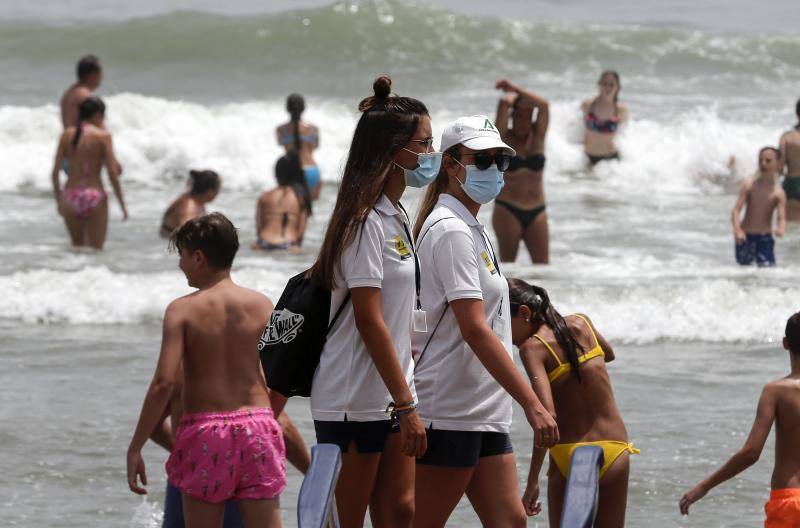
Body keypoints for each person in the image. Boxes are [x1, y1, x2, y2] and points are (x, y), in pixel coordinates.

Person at [411, 115, 559, 528]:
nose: (493, 170)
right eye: (482, 160)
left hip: (483, 409)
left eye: (500, 161)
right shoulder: (450, 228)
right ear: (451, 164)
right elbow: (473, 328)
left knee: (511, 522)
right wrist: (532, 403)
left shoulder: (471, 226)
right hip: (450, 409)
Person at [303, 75, 435, 528]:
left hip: (394, 394)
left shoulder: (395, 213)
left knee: (400, 511)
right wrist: (407, 405)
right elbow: (367, 319)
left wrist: (406, 395)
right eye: (425, 143)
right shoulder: (363, 221)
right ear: (394, 150)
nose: (431, 154)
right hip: (355, 396)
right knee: (345, 519)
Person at [126, 213, 285, 528]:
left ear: (198, 257)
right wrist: (268, 418)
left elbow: (163, 383)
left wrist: (136, 446)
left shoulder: (182, 310)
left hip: (205, 433)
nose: (180, 264)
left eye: (182, 256)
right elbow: (282, 375)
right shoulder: (263, 305)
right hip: (258, 428)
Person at [507, 278, 638, 528]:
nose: (500, 331)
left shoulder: (532, 348)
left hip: (572, 455)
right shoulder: (582, 322)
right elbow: (608, 354)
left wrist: (533, 480)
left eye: (502, 320)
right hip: (615, 450)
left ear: (524, 313)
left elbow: (548, 419)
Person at [680, 312, 800, 527]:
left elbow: (751, 453)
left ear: (785, 343)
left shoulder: (776, 391)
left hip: (789, 501)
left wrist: (704, 486)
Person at [150, 368, 311, 528]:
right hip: (236, 485)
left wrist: (191, 456)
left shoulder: (180, 369)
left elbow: (153, 426)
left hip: (186, 481)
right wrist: (312, 474)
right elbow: (283, 426)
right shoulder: (245, 373)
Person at [51, 96, 127, 249]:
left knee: (77, 249)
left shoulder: (67, 135)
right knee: (96, 251)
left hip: (71, 195)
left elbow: (55, 173)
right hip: (94, 195)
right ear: (98, 115)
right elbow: (112, 174)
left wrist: (59, 200)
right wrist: (122, 205)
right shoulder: (103, 137)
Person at [493, 79, 550, 263]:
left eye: (528, 116)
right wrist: (512, 94)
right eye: (519, 116)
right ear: (512, 116)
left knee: (543, 267)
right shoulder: (503, 136)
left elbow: (544, 105)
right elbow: (504, 103)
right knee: (509, 267)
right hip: (507, 209)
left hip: (537, 210)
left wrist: (516, 88)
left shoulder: (538, 136)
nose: (523, 122)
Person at [731, 147, 786, 267]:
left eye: (768, 160)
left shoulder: (778, 192)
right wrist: (737, 229)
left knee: (767, 272)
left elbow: (781, 217)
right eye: (760, 160)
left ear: (778, 163)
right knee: (744, 273)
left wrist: (780, 228)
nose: (763, 163)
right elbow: (736, 210)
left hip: (765, 238)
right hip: (745, 237)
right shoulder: (749, 185)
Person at [252, 154, 311, 251]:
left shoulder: (264, 196)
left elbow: (259, 229)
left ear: (276, 174)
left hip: (264, 243)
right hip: (289, 244)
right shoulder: (300, 197)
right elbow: (300, 234)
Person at [277, 94, 322, 200]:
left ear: (287, 108)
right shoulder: (313, 129)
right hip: (312, 170)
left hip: (291, 171)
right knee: (308, 210)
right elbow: (315, 146)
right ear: (303, 108)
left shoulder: (281, 129)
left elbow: (281, 143)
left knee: (292, 208)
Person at [581, 71, 628, 166]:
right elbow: (576, 127)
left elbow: (624, 134)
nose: (607, 87)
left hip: (610, 161)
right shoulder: (588, 105)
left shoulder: (621, 109)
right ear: (599, 85)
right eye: (604, 83)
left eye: (611, 84)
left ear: (618, 87)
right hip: (587, 158)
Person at [160, 170, 221, 238]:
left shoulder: (196, 201)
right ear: (209, 191)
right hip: (168, 245)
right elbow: (187, 235)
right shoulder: (189, 207)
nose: (219, 192)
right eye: (218, 188)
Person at [60, 55, 102, 129]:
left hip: (68, 139)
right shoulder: (86, 96)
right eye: (100, 73)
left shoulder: (67, 94)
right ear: (93, 75)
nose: (102, 78)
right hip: (83, 140)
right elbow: (99, 128)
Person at [778, 98, 800, 221]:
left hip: (791, 184)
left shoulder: (787, 137)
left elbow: (779, 167)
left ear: (797, 113)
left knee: (789, 228)